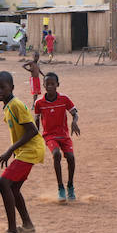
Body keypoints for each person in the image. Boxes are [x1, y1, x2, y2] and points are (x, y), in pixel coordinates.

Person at [0, 70, 45, 233]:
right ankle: (28, 225)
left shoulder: (15, 105)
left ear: (12, 88)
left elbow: (32, 131)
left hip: (31, 150)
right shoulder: (8, 106)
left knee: (3, 183)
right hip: (26, 151)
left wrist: (10, 150)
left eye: (2, 87)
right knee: (13, 188)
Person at [34, 72, 80, 201]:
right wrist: (36, 135)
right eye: (47, 84)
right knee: (56, 154)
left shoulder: (64, 99)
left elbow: (74, 113)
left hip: (64, 135)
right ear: (43, 85)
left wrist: (74, 122)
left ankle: (70, 185)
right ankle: (60, 188)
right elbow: (36, 120)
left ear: (57, 85)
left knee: (70, 157)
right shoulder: (39, 103)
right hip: (49, 136)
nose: (49, 86)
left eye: (52, 84)